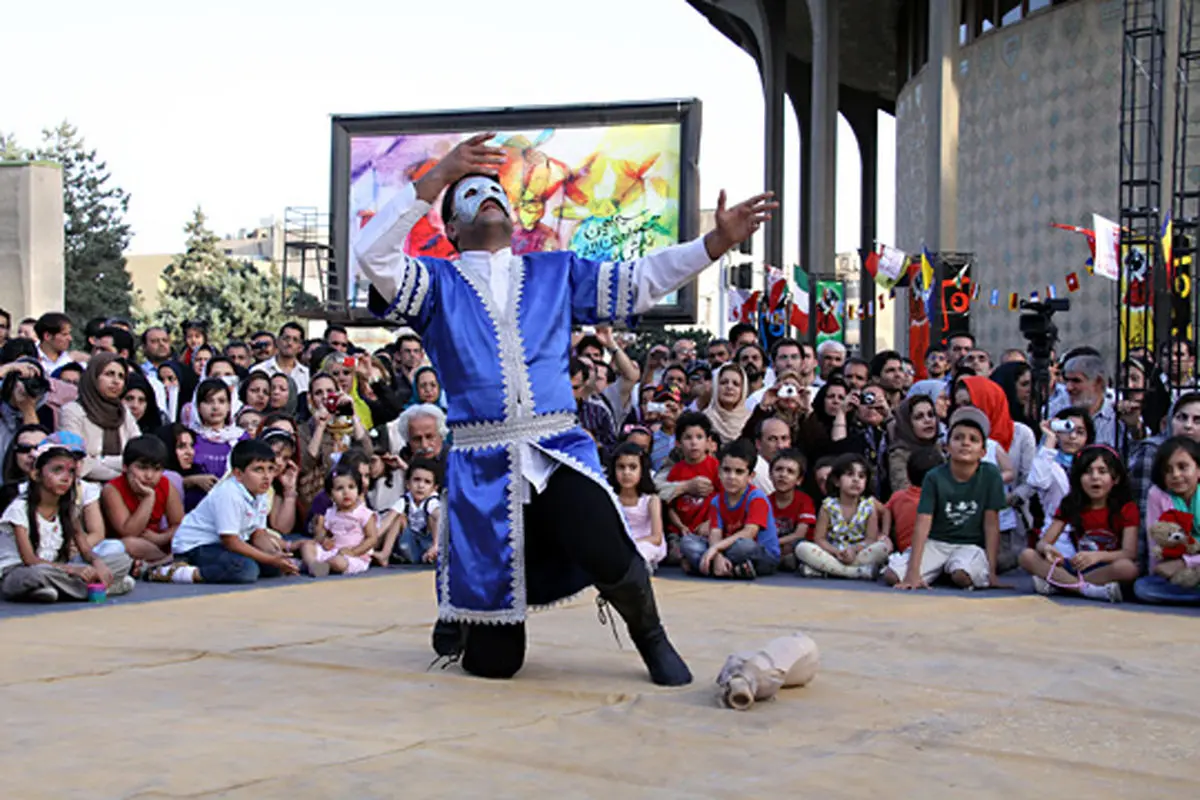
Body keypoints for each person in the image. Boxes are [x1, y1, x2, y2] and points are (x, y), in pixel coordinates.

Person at [356, 132, 773, 684]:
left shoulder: (555, 272)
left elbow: (639, 280)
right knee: (496, 667)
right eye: (469, 192)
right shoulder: (433, 284)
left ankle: (651, 637)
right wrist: (437, 176)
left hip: (555, 448)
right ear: (451, 227)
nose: (487, 195)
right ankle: (464, 611)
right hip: (482, 468)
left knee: (606, 543)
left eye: (493, 190)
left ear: (512, 217)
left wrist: (713, 244)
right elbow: (371, 254)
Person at [0, 433, 133, 602]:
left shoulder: (67, 509)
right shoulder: (19, 509)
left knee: (122, 560)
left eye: (71, 471)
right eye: (57, 470)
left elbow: (86, 551)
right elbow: (30, 560)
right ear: (36, 474)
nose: (66, 478)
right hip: (21, 572)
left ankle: (53, 592)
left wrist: (97, 563)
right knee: (35, 575)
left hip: (57, 570)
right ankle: (94, 588)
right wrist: (72, 570)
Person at [886, 407, 1007, 590]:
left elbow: (991, 524)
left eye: (973, 440)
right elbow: (922, 523)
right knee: (892, 575)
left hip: (970, 545)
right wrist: (912, 571)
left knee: (962, 576)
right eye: (958, 438)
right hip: (936, 543)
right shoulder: (934, 477)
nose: (965, 443)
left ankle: (949, 570)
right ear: (947, 447)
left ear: (983, 451)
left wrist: (992, 572)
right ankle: (935, 569)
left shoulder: (991, 475)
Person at [157, 439, 300, 584]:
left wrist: (276, 555)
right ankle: (179, 572)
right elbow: (230, 541)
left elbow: (258, 533)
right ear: (238, 474)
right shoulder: (229, 492)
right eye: (258, 470)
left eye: (270, 469)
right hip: (196, 546)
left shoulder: (260, 492)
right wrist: (269, 559)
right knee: (245, 569)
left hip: (221, 545)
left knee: (274, 569)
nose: (267, 476)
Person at [1019, 445, 1137, 603]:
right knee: (1027, 556)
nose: (1095, 477)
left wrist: (1097, 557)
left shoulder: (1126, 508)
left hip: (1105, 567)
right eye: (1087, 472)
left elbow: (1129, 553)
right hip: (1076, 566)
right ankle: (1085, 589)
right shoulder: (1071, 504)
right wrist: (1047, 549)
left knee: (1128, 568)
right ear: (1078, 478)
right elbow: (1043, 543)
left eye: (1102, 471)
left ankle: (1061, 585)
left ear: (1115, 479)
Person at [680, 439, 780, 579]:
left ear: (750, 476)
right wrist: (718, 555)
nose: (731, 477)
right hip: (727, 548)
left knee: (744, 546)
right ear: (719, 472)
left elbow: (749, 532)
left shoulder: (757, 498)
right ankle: (728, 567)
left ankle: (709, 566)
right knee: (688, 542)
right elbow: (715, 532)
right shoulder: (717, 501)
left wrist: (714, 549)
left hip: (760, 553)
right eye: (726, 470)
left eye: (739, 472)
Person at [795, 453, 889, 580]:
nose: (856, 480)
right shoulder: (828, 506)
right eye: (850, 474)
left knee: (883, 547)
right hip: (833, 553)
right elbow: (820, 539)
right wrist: (836, 552)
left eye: (861, 476)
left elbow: (870, 540)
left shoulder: (869, 506)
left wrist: (853, 550)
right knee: (802, 548)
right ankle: (854, 572)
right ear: (836, 481)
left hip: (858, 553)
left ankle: (827, 570)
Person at [1132, 436, 1200, 604]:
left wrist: (1186, 562)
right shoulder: (1156, 494)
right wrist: (1160, 570)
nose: (1175, 475)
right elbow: (1156, 545)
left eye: (1183, 467)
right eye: (1168, 470)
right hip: (1175, 573)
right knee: (1143, 588)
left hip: (1190, 563)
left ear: (1198, 470)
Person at [100, 435, 183, 570]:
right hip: (126, 547)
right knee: (129, 544)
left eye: (156, 469)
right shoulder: (112, 490)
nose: (149, 476)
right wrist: (148, 498)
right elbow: (129, 532)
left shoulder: (165, 485)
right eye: (142, 468)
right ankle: (164, 563)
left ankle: (160, 563)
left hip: (158, 543)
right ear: (125, 467)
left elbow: (180, 524)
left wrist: (161, 538)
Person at [60, 352, 141, 484]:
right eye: (109, 374)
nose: (116, 381)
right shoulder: (72, 411)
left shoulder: (123, 412)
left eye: (121, 376)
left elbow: (138, 454)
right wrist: (122, 475)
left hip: (125, 485)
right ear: (93, 377)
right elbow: (77, 461)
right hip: (85, 486)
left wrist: (102, 460)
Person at [299, 464, 377, 577]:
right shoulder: (330, 512)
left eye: (351, 487)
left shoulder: (364, 513)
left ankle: (319, 566)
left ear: (359, 490)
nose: (346, 492)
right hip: (333, 551)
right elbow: (321, 533)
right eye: (339, 488)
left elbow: (372, 538)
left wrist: (353, 552)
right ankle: (313, 565)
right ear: (331, 495)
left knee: (338, 562)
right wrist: (324, 539)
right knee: (307, 545)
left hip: (354, 557)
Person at [663, 413, 721, 565]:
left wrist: (710, 522)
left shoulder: (716, 467)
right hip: (680, 531)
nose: (694, 442)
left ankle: (695, 561)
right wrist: (680, 526)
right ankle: (695, 560)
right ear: (678, 443)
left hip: (708, 529)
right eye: (688, 438)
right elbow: (670, 507)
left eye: (699, 437)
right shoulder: (675, 471)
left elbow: (725, 501)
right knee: (673, 554)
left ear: (708, 441)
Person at [608, 442, 665, 571]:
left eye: (632, 467)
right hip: (620, 545)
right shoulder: (611, 498)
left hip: (646, 543)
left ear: (642, 470)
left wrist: (632, 544)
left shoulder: (651, 500)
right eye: (621, 467)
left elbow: (656, 538)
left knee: (643, 550)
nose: (626, 473)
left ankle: (640, 566)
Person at [376, 458, 442, 566]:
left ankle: (435, 550)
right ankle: (385, 554)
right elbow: (385, 523)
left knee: (433, 517)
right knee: (398, 518)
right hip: (410, 544)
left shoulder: (432, 501)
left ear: (434, 488)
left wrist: (436, 546)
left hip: (429, 545)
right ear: (407, 484)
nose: (421, 486)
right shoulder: (405, 500)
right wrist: (368, 541)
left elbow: (440, 517)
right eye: (416, 480)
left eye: (427, 482)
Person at [882, 448, 943, 555]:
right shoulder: (939, 500)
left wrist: (884, 534)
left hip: (904, 552)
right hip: (933, 552)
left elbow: (885, 509)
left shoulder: (897, 497)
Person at [188, 379, 247, 480]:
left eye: (221, 401)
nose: (215, 407)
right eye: (208, 402)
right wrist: (193, 480)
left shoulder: (241, 437)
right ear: (198, 407)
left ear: (229, 406)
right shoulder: (190, 436)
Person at [769, 450, 816, 572]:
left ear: (799, 480)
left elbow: (799, 534)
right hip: (774, 547)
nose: (783, 475)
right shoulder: (764, 501)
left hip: (796, 547)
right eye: (778, 469)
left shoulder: (805, 501)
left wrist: (773, 542)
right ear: (770, 475)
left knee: (800, 546)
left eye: (790, 471)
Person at [886, 395, 941, 493]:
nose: (928, 420)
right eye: (919, 417)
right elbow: (903, 492)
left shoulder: (938, 447)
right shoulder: (899, 455)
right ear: (907, 423)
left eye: (931, 415)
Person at [704, 363, 751, 446]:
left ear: (743, 390)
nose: (729, 387)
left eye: (736, 384)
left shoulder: (750, 420)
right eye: (724, 382)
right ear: (716, 386)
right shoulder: (704, 419)